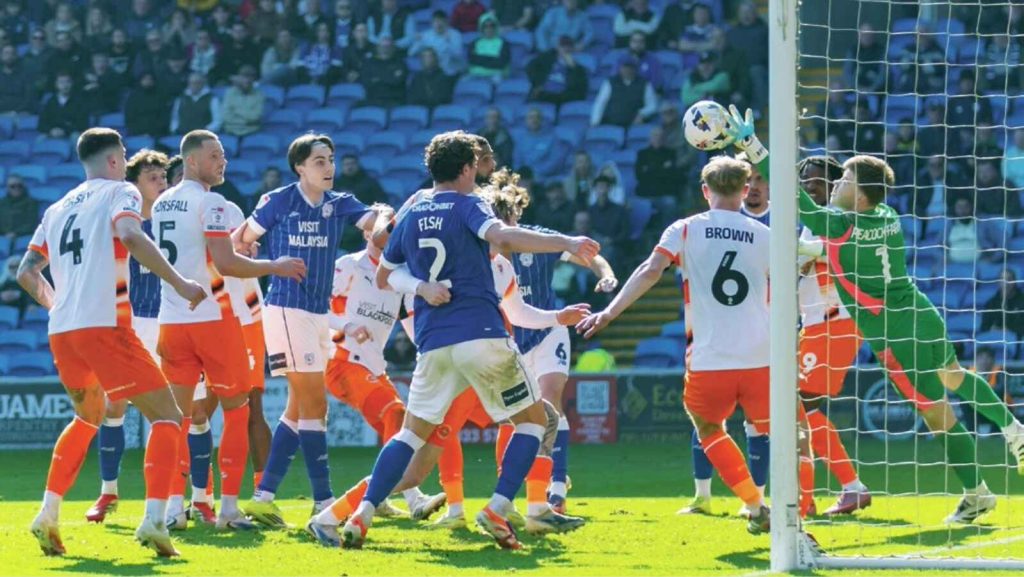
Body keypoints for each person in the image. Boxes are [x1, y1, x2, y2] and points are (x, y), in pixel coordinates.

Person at [728, 107, 1024, 523]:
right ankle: (1011, 432)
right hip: (918, 310)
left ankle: (975, 490)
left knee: (937, 413)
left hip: (891, 329)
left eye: (845, 180)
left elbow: (801, 208)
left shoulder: (842, 224)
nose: (837, 185)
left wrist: (753, 148)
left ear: (861, 196)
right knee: (955, 376)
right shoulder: (887, 215)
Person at [324, 131, 599, 549]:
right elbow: (503, 238)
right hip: (481, 334)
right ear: (467, 168)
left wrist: (421, 287)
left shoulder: (413, 211)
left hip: (433, 344)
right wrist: (567, 242)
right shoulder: (471, 204)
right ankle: (499, 507)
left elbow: (385, 275)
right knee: (535, 421)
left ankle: (362, 514)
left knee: (409, 437)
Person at [20, 127, 206, 557]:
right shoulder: (120, 191)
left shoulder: (57, 207)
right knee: (167, 417)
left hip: (64, 329)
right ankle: (155, 522)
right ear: (113, 160)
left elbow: (26, 272)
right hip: (105, 324)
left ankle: (48, 513)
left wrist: (58, 306)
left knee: (87, 417)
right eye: (123, 155)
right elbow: (131, 235)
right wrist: (178, 282)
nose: (125, 161)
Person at [577, 155, 777, 534]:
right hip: (761, 354)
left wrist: (609, 313)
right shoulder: (767, 235)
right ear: (746, 190)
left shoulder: (684, 229)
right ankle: (788, 505)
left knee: (708, 427)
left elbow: (650, 271)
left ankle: (754, 504)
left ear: (705, 191)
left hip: (709, 356)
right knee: (772, 429)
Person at [151, 130, 306, 530]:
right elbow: (226, 263)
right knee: (238, 412)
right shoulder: (213, 203)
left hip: (171, 321)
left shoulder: (162, 202)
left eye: (223, 155)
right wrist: (275, 265)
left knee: (175, 419)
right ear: (190, 160)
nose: (223, 162)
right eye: (214, 156)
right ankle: (230, 510)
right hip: (214, 320)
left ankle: (172, 509)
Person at [234, 134, 385, 528]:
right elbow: (241, 241)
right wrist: (253, 255)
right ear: (299, 166)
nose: (329, 167)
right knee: (316, 406)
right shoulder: (278, 201)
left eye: (331, 159)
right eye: (319, 161)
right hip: (287, 310)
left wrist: (389, 221)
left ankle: (264, 497)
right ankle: (324, 501)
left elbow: (374, 223)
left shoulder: (339, 204)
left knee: (299, 408)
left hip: (318, 314)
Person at [85, 149, 170, 524]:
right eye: (153, 176)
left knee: (166, 414)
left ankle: (166, 501)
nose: (161, 182)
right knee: (113, 407)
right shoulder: (123, 222)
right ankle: (108, 492)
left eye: (164, 176)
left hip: (169, 322)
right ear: (134, 184)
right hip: (130, 322)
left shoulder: (175, 221)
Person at [794, 155, 871, 516]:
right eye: (804, 180)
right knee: (800, 408)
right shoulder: (812, 222)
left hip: (834, 321)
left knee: (800, 406)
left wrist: (799, 254)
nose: (810, 185)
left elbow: (833, 254)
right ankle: (834, 491)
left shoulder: (841, 218)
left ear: (836, 183)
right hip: (815, 324)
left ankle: (830, 493)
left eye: (817, 180)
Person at [590, 56, 658, 128]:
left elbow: (652, 105)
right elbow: (600, 103)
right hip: (611, 124)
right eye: (625, 67)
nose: (628, 70)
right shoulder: (610, 82)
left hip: (633, 125)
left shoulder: (644, 84)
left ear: (635, 69)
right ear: (620, 68)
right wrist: (595, 121)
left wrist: (642, 113)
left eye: (631, 67)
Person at [525, 35, 588, 105]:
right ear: (558, 47)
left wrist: (573, 68)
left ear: (572, 48)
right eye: (563, 46)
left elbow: (579, 88)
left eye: (568, 46)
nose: (565, 49)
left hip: (562, 98)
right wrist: (538, 83)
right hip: (543, 94)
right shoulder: (546, 58)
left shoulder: (578, 68)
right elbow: (530, 68)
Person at [410, 10, 464, 77]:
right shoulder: (426, 35)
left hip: (449, 72)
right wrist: (418, 42)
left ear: (447, 22)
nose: (438, 24)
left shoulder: (455, 35)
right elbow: (411, 53)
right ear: (432, 23)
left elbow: (458, 56)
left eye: (441, 21)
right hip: (431, 71)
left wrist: (448, 43)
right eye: (435, 21)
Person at [39, 72, 89, 140]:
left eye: (68, 82)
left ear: (72, 83)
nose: (65, 85)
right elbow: (41, 123)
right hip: (52, 132)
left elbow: (82, 124)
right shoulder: (50, 102)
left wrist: (65, 131)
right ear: (56, 84)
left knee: (76, 137)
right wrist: (51, 130)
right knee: (40, 139)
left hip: (71, 133)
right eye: (61, 82)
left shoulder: (79, 102)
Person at [221, 65, 264, 137]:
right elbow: (226, 116)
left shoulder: (259, 95)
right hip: (230, 130)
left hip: (252, 131)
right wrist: (245, 120)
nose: (247, 80)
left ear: (254, 79)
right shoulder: (230, 93)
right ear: (238, 77)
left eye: (250, 77)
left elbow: (255, 117)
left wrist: (236, 111)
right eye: (244, 77)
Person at [467, 13, 510, 80]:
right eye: (485, 26)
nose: (489, 29)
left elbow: (501, 63)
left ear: (496, 27)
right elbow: (472, 59)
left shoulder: (503, 43)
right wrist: (492, 59)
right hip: (476, 74)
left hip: (496, 74)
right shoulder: (475, 42)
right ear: (481, 28)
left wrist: (480, 59)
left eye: (492, 26)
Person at [0, 176, 39, 240]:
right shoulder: (2, 203)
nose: (16, 188)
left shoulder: (31, 203)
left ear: (23, 187)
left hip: (24, 237)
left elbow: (31, 223)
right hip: (3, 236)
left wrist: (16, 233)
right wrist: (6, 233)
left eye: (19, 186)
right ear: (7, 188)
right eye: (12, 186)